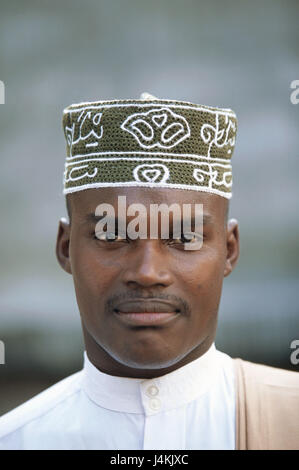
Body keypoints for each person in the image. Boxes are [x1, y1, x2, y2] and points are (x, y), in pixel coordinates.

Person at [0, 93, 298, 450]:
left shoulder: (289, 419)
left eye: (184, 237)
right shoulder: (18, 439)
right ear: (66, 248)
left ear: (229, 250)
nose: (147, 272)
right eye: (112, 235)